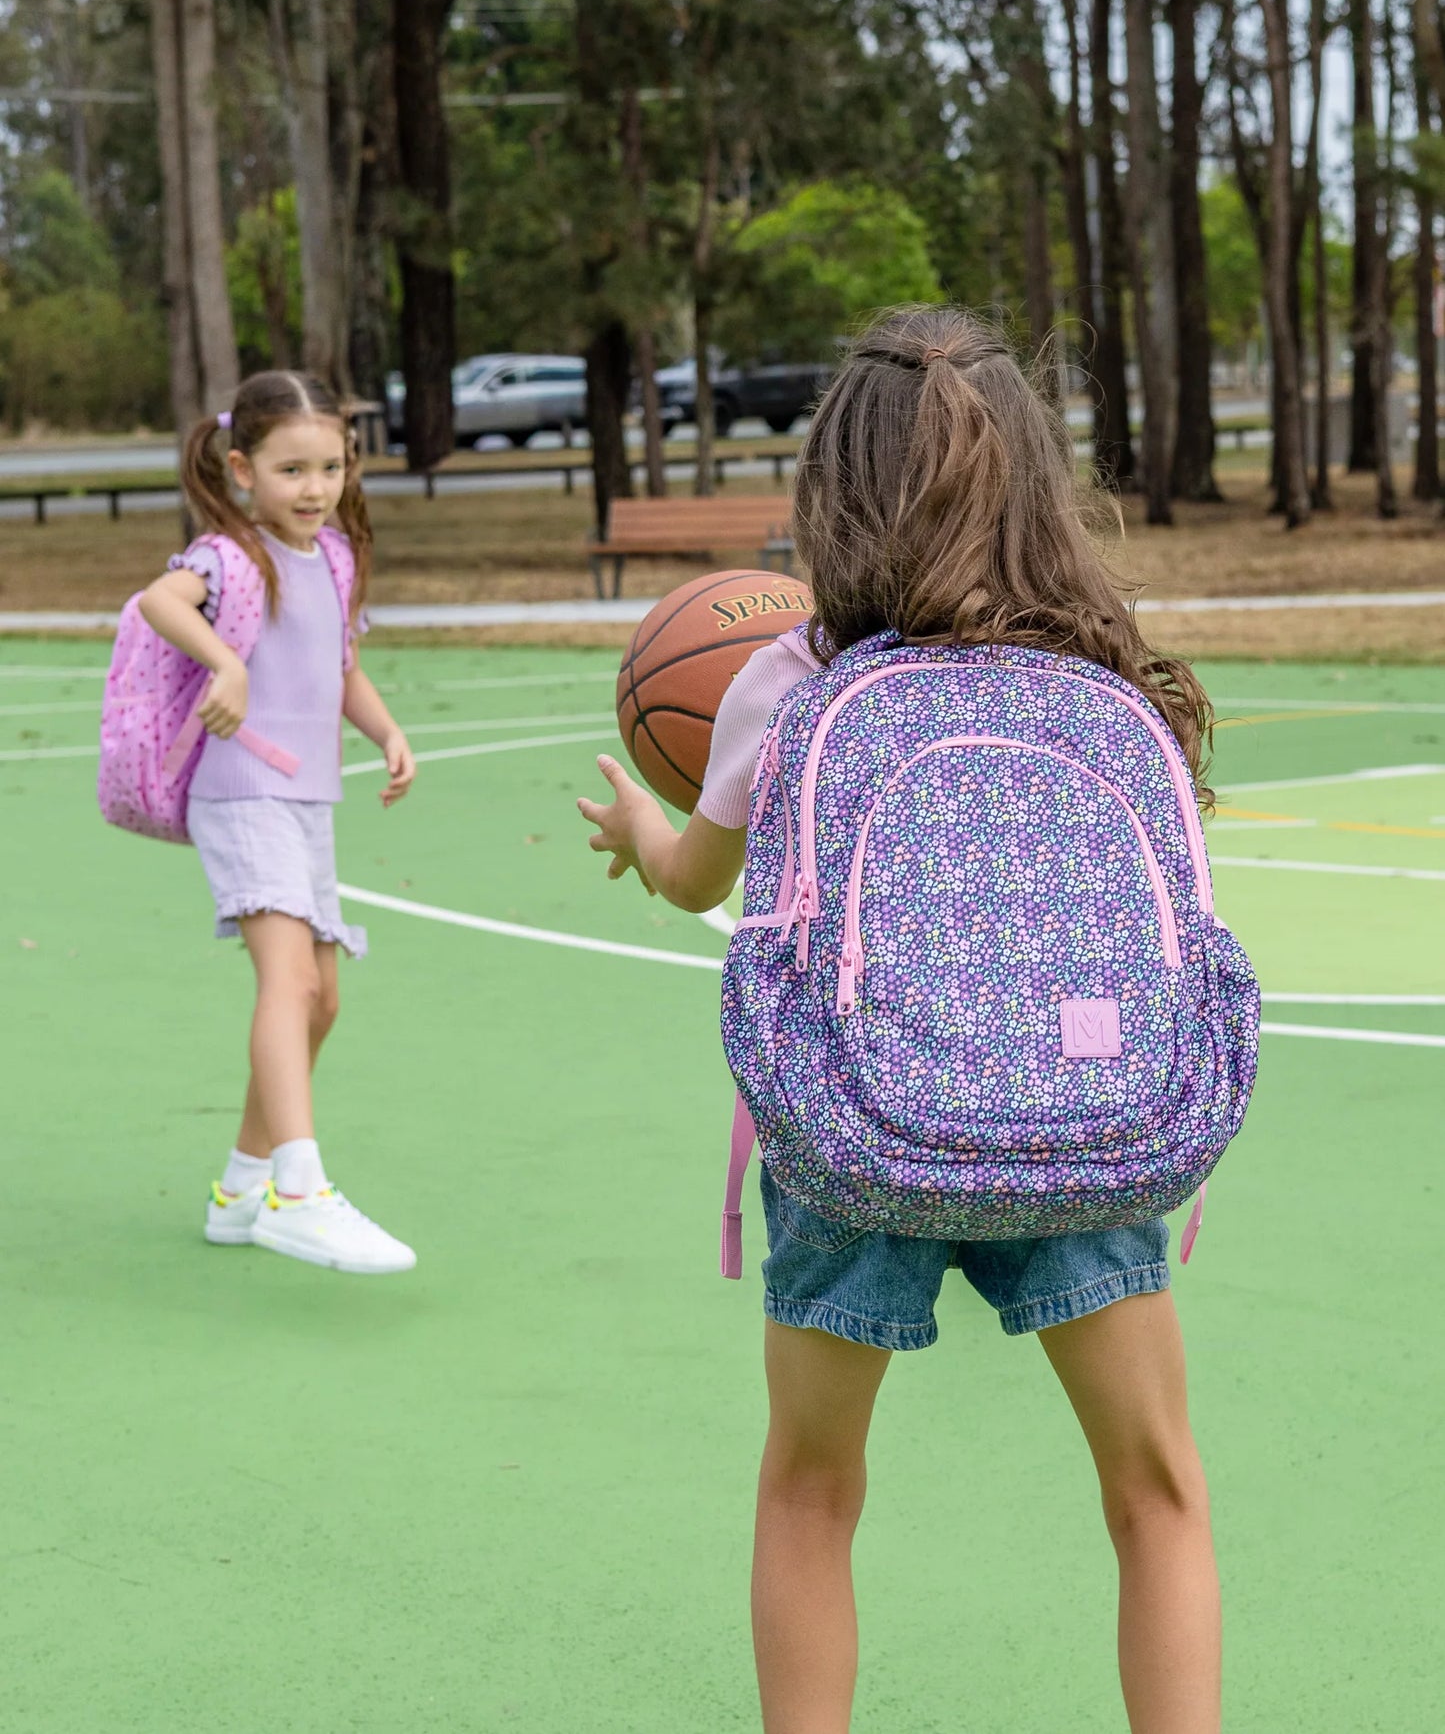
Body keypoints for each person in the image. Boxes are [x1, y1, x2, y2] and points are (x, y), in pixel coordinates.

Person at [578, 307, 1228, 1733]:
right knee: (1156, 1489)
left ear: (833, 483)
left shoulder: (789, 670)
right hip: (1085, 1116)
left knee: (811, 1490)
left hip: (852, 1128)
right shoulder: (1105, 672)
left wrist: (642, 826)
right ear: (1036, 484)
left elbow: (698, 877)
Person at [138, 370, 418, 1274]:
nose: (314, 487)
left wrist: (384, 731)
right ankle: (300, 1190)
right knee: (289, 981)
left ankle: (242, 1185)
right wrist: (225, 663)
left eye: (330, 466)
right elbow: (159, 601)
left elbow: (339, 670)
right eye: (291, 468)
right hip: (242, 790)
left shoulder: (332, 556)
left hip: (309, 803)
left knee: (322, 999)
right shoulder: (228, 557)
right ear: (240, 470)